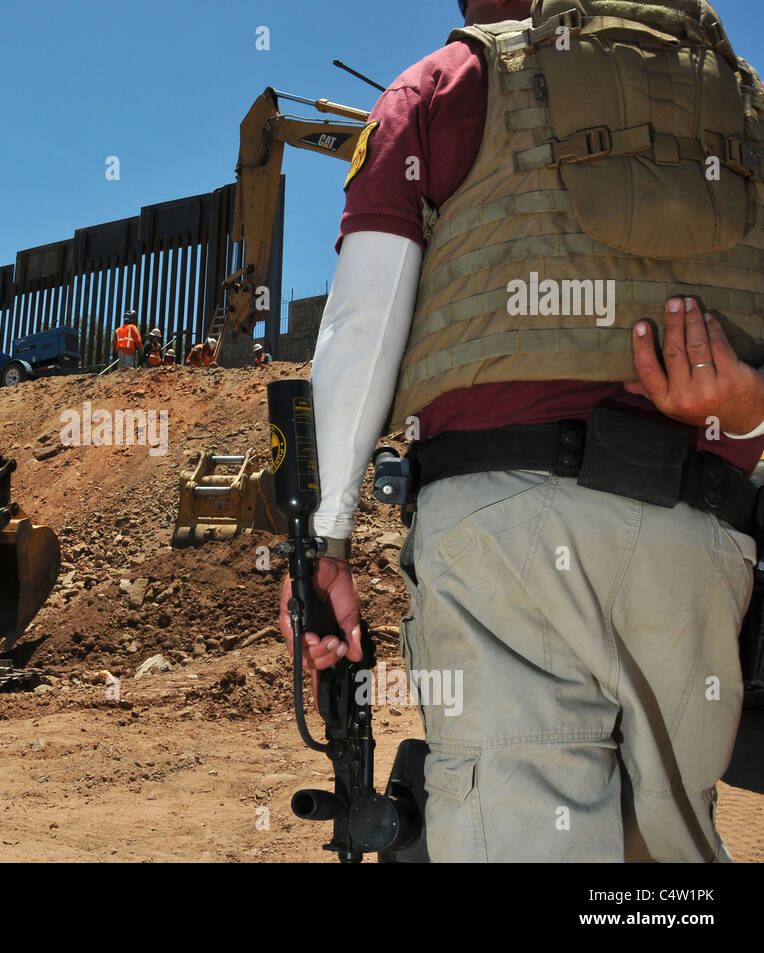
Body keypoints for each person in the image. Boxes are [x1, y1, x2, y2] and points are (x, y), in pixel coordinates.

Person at [280, 0, 764, 862]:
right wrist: (752, 404)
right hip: (700, 540)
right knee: (670, 855)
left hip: (503, 529)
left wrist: (327, 545)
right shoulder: (741, 107)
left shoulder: (448, 83)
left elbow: (361, 328)